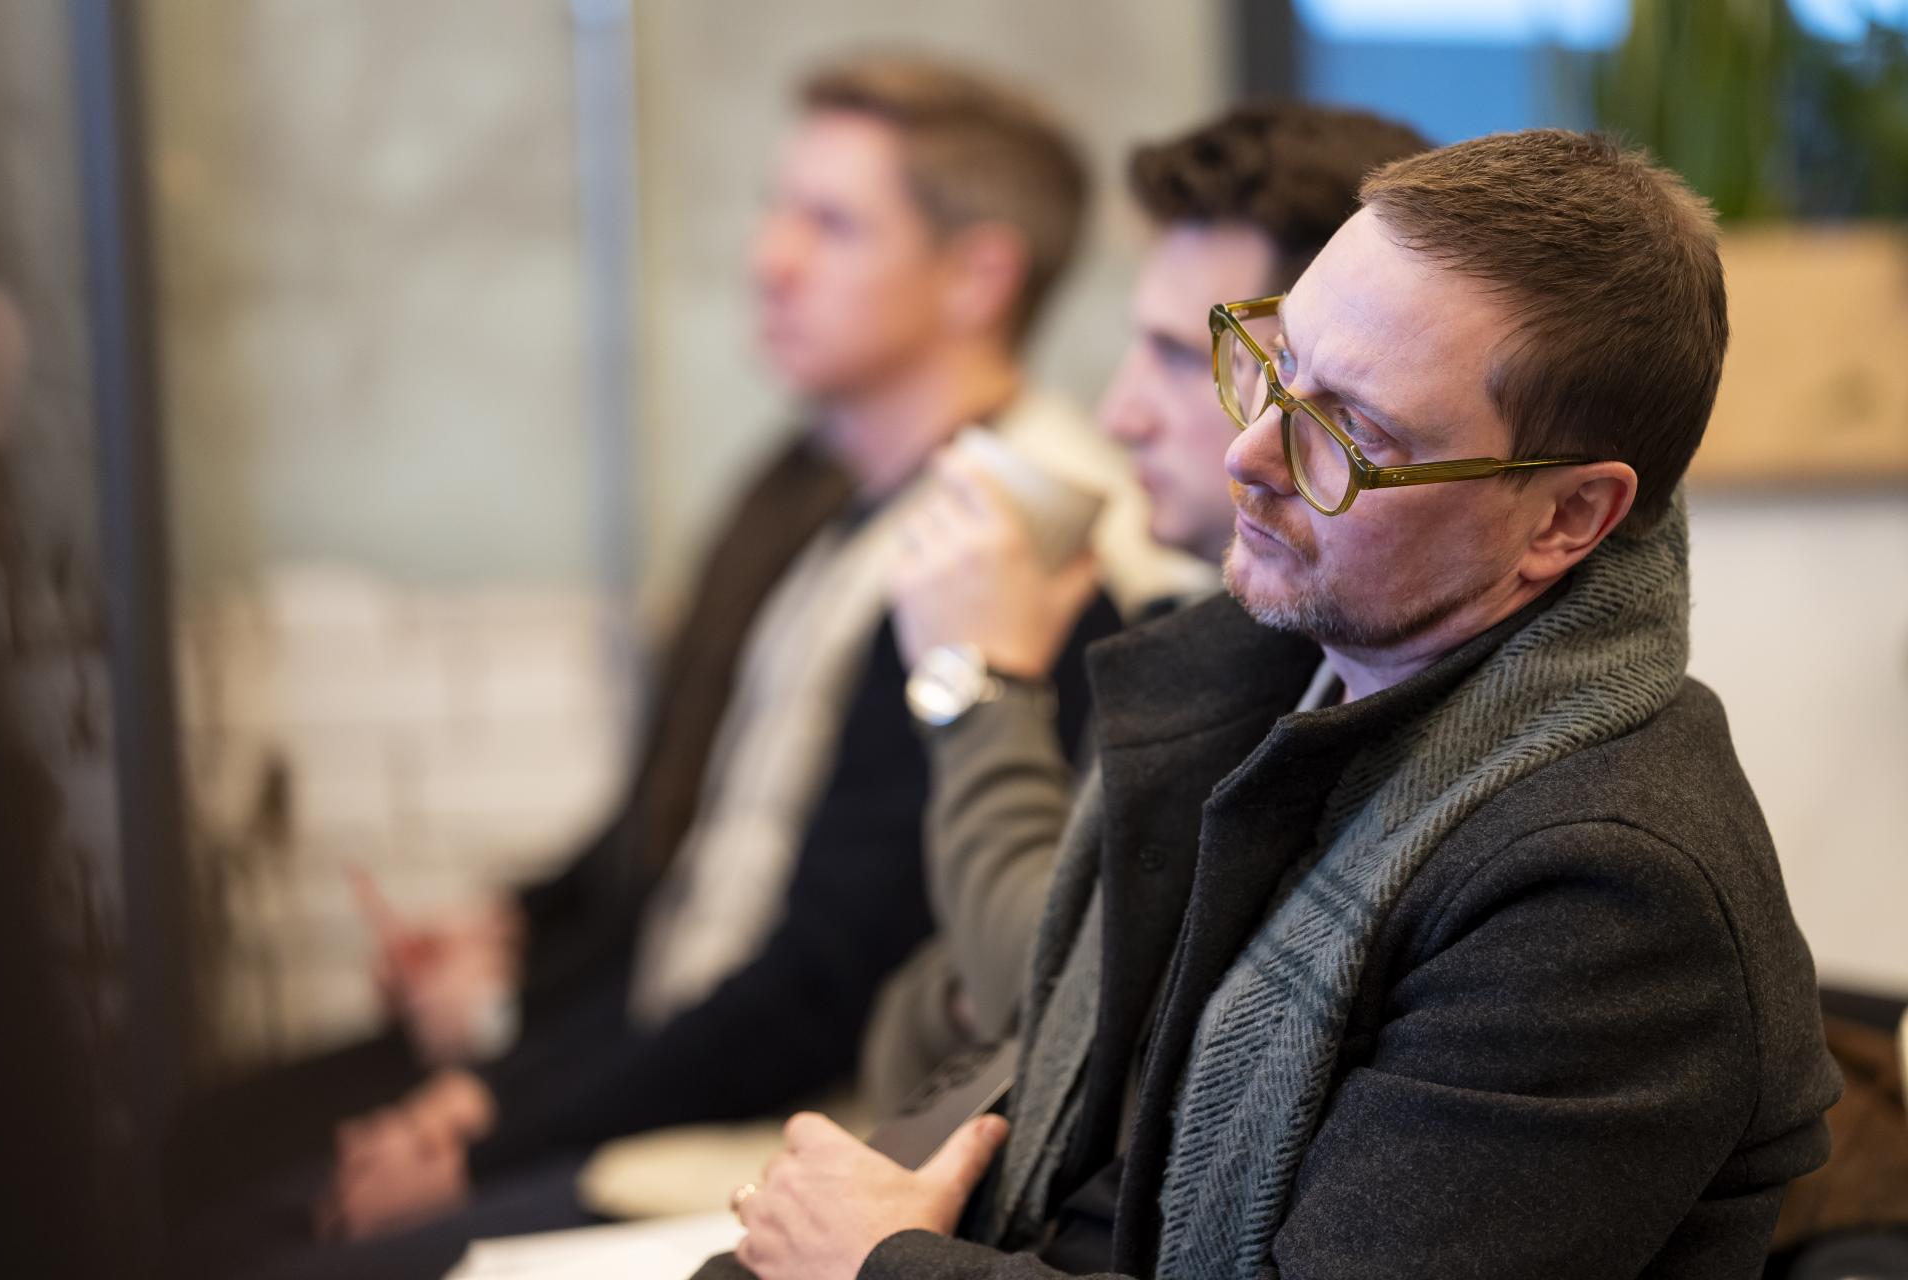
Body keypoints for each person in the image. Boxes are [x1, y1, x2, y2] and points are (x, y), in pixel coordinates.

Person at [716, 129, 1843, 1279]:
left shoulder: (1606, 894)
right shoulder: (1272, 677)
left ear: (1564, 519)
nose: (1250, 451)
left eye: (1351, 434)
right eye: (1275, 356)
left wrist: (882, 1261)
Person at [181, 55, 1192, 1279]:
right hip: (671, 1072)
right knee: (203, 1149)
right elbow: (675, 858)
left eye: (830, 223)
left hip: (780, 1139)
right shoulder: (832, 499)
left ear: (979, 273)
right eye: (780, 209)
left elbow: (828, 979)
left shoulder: (1012, 548)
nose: (769, 257)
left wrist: (502, 1101)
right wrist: (506, 1003)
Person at [860, 102, 1430, 1110]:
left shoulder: (1333, 668)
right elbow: (975, 1004)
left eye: (1180, 356)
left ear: (1323, 378)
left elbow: (1057, 1015)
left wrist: (978, 683)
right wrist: (976, 994)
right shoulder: (1198, 621)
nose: (1117, 412)